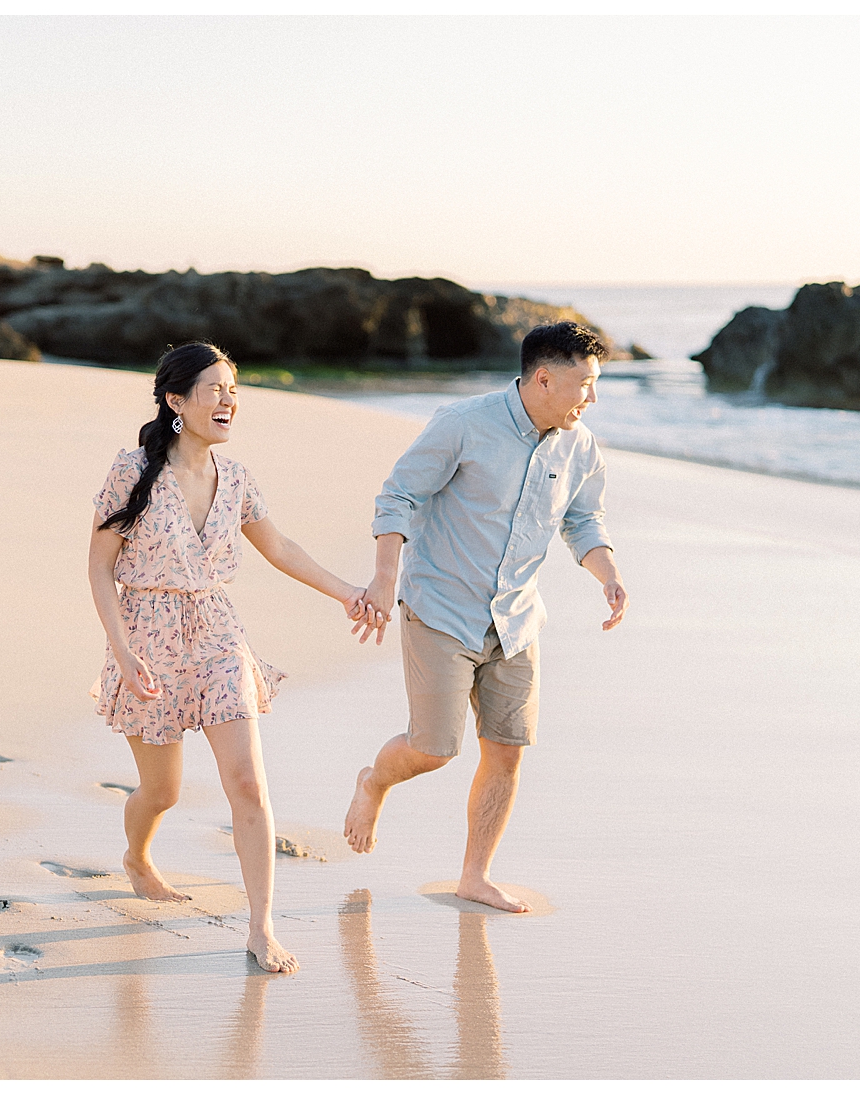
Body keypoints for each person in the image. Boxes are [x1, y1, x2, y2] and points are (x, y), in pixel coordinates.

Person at [88, 340, 366, 973]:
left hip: (217, 634)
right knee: (162, 793)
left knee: (246, 782)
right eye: (214, 390)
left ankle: (261, 926)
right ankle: (137, 857)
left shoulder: (236, 479)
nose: (228, 402)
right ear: (176, 400)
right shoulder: (131, 470)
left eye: (233, 391)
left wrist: (347, 592)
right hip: (147, 638)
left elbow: (282, 548)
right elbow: (100, 569)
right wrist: (123, 652)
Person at [344, 322, 629, 912]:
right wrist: (384, 577)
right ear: (543, 379)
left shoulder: (580, 445)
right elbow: (399, 496)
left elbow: (583, 521)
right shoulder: (462, 425)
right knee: (435, 748)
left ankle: (475, 875)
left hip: (517, 620)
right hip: (442, 609)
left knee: (506, 751)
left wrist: (608, 574)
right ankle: (373, 781)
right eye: (586, 385)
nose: (592, 399)